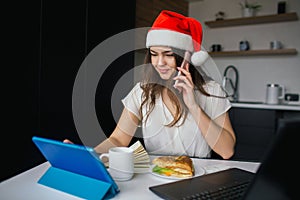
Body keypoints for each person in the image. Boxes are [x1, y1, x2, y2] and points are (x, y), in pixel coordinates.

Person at [66, 10, 236, 159]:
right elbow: (118, 139)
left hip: (199, 179)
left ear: (187, 56)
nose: (159, 62)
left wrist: (193, 105)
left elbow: (227, 151)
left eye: (168, 54)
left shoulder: (211, 91)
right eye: (154, 54)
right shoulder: (142, 92)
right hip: (156, 177)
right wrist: (90, 155)